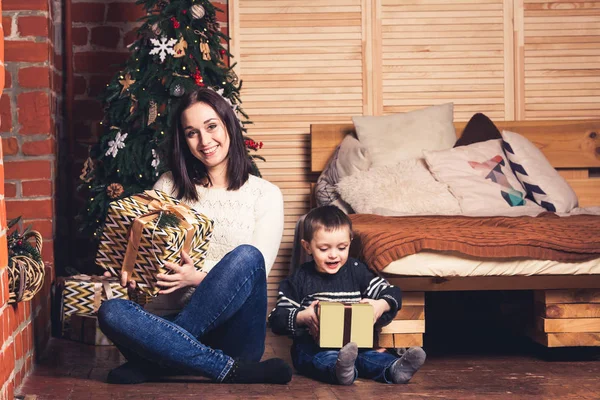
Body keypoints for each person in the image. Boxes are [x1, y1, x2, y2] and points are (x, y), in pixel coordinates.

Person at [98, 88, 292, 385]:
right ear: (183, 140)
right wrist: (135, 273)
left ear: (228, 124)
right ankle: (216, 367)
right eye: (192, 132)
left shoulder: (264, 195)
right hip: (168, 318)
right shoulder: (168, 185)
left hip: (235, 333)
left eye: (211, 126)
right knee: (112, 311)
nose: (204, 141)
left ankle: (160, 360)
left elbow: (258, 270)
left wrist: (196, 277)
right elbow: (147, 252)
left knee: (247, 256)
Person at [269, 205, 426, 385]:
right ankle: (339, 371)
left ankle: (394, 369)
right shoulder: (299, 278)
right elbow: (276, 318)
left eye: (342, 247)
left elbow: (392, 292)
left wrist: (381, 304)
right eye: (324, 249)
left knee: (370, 356)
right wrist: (302, 316)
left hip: (357, 346)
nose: (334, 255)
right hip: (314, 347)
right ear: (307, 247)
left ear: (350, 242)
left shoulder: (357, 271)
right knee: (318, 357)